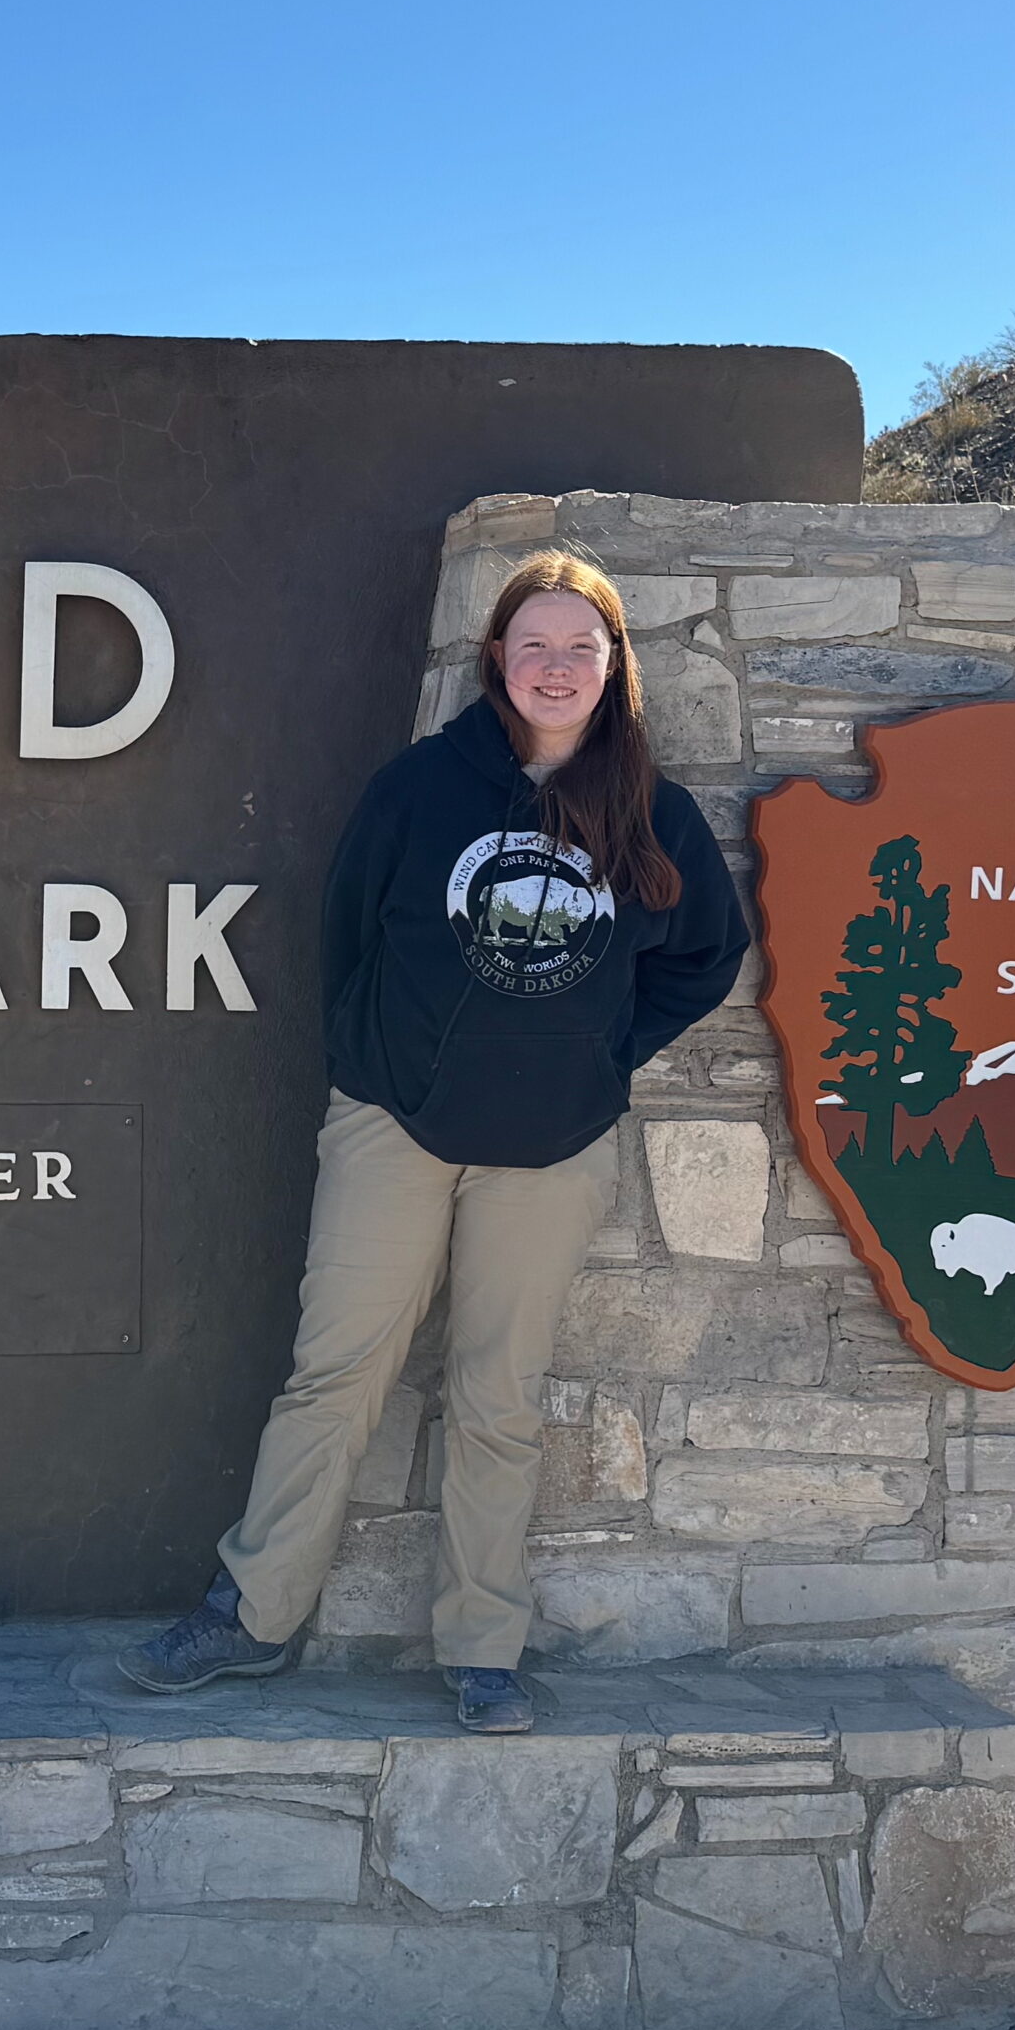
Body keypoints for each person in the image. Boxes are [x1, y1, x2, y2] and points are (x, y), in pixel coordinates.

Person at [119, 552, 750, 1732]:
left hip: (551, 1147)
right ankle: (251, 1618)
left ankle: (480, 1647)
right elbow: (348, 934)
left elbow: (703, 957)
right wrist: (380, 1061)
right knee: (335, 1376)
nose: (556, 668)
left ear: (614, 668)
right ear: (497, 662)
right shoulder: (420, 788)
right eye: (534, 646)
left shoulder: (646, 810)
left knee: (497, 1396)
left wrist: (597, 1055)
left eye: (580, 647)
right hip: (393, 1129)